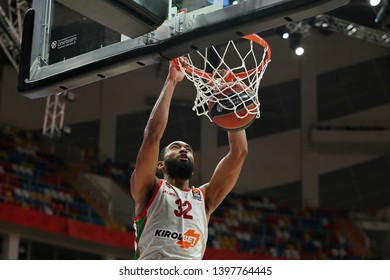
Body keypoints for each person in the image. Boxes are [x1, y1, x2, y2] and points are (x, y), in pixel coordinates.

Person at [130, 61, 248, 260]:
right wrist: (171, 81)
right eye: (176, 147)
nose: (184, 150)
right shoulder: (148, 189)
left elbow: (239, 152)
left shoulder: (205, 198)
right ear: (160, 165)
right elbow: (152, 135)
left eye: (189, 149)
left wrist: (231, 100)